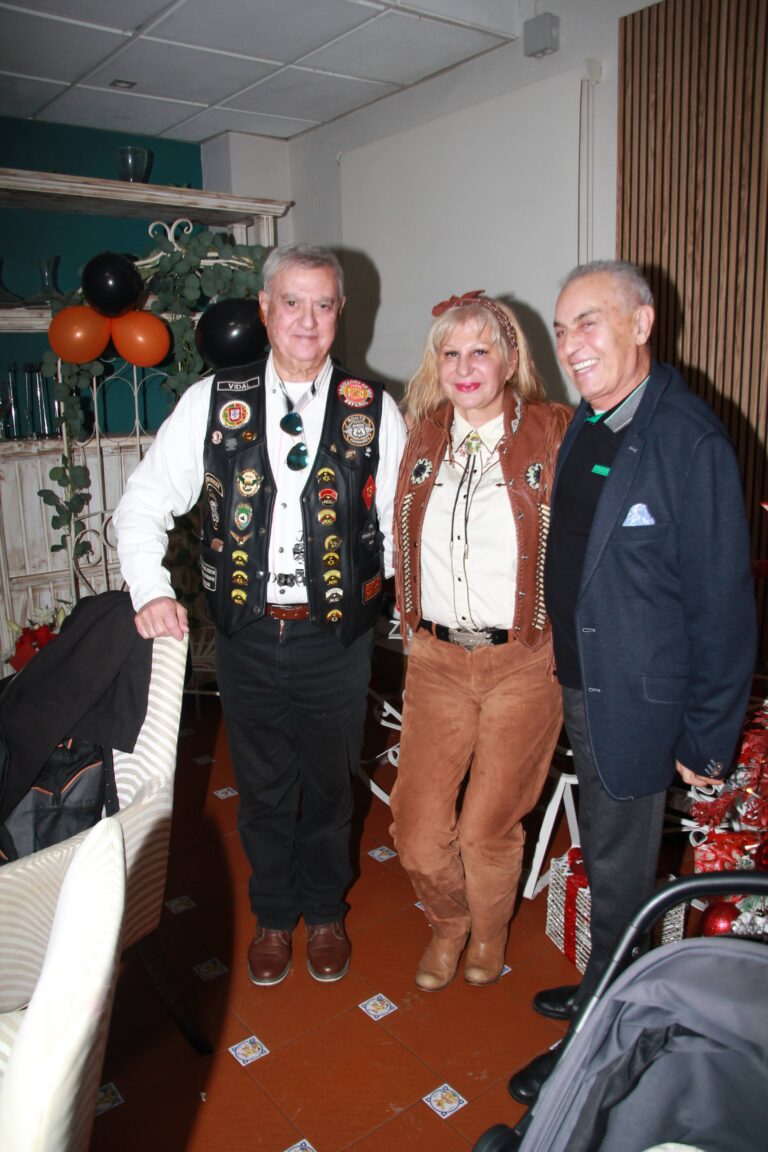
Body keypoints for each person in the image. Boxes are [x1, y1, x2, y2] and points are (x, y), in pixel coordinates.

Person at [114, 243, 407, 986]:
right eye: (293, 303)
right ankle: (275, 914)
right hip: (247, 631)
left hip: (334, 637)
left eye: (323, 304)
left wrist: (397, 601)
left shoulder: (373, 407)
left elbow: (400, 526)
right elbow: (143, 502)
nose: (308, 320)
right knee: (264, 785)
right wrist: (150, 588)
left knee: (331, 786)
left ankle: (326, 911)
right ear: (266, 309)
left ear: (341, 312)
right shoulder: (212, 400)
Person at [506, 260, 756, 1112]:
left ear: (642, 325)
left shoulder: (688, 439)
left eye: (589, 322)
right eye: (561, 327)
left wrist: (706, 737)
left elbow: (724, 606)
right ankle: (600, 989)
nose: (570, 344)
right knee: (610, 865)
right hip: (585, 681)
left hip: (641, 703)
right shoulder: (591, 419)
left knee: (618, 878)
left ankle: (599, 1039)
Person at [389, 291, 572, 991]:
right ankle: (448, 921)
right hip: (436, 660)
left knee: (486, 828)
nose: (465, 368)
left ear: (510, 358)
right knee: (415, 829)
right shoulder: (417, 435)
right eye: (451, 353)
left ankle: (488, 934)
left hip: (523, 661)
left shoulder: (555, 432)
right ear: (436, 363)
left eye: (480, 351)